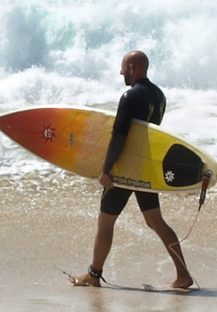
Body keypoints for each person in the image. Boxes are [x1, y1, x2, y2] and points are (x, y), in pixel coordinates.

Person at [69, 50, 195, 291]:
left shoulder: (130, 96)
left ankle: (93, 275)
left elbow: (120, 136)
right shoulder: (159, 96)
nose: (120, 72)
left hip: (125, 171)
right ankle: (183, 274)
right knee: (156, 221)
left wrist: (106, 170)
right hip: (145, 168)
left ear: (133, 68)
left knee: (105, 222)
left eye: (123, 67)